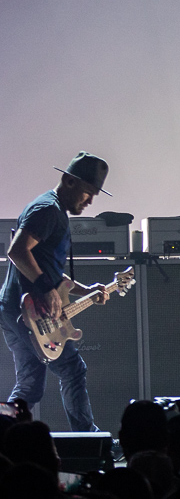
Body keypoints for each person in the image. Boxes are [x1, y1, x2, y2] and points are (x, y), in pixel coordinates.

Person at [0, 152, 112, 432]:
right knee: (73, 370)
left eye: (94, 195)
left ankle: (5, 436)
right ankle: (87, 440)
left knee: (30, 384)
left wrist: (86, 290)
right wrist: (46, 287)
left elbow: (43, 264)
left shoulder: (51, 209)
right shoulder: (48, 209)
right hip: (26, 312)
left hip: (15, 308)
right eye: (88, 193)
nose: (89, 201)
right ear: (68, 181)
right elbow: (16, 251)